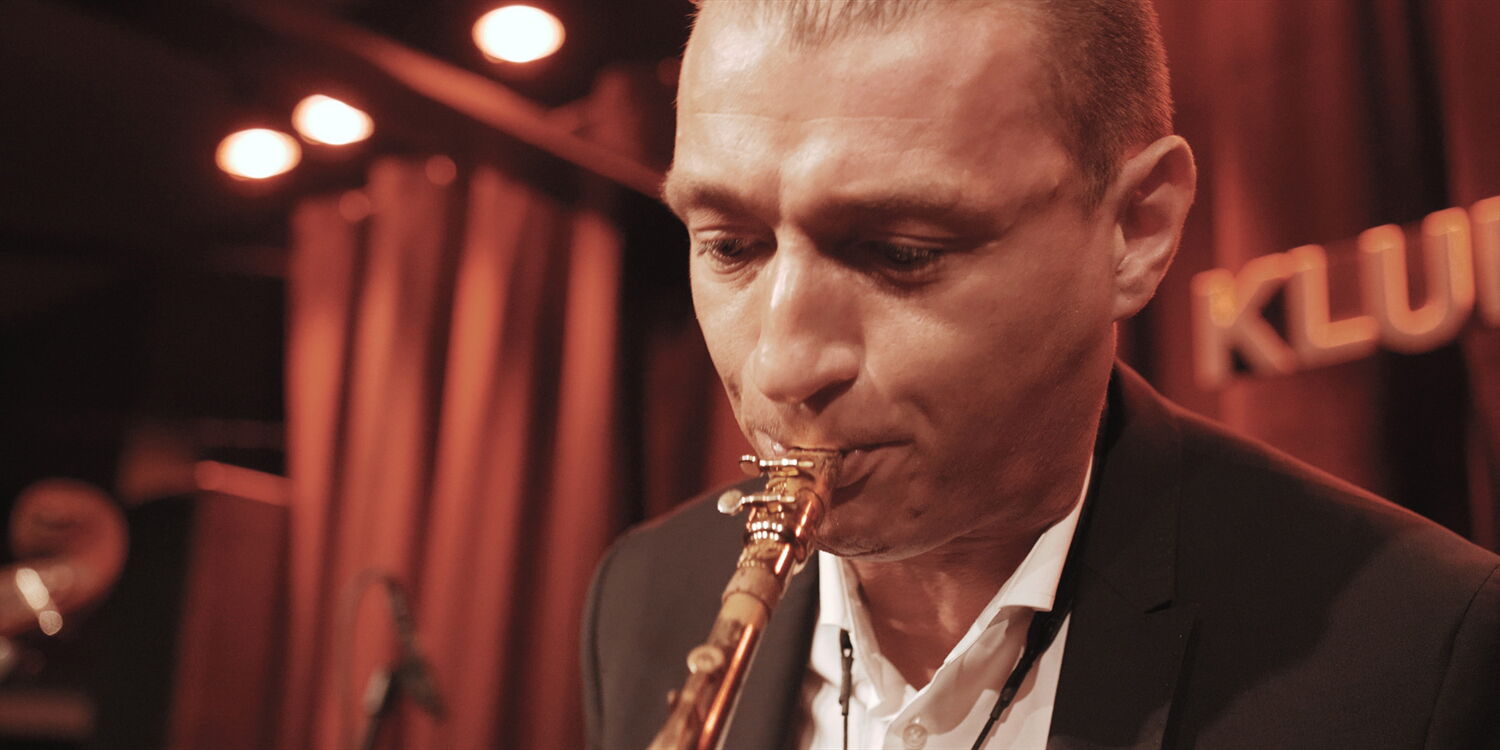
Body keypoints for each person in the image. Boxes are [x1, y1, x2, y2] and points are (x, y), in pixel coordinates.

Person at [581, 1, 1500, 748]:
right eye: (731, 246)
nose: (781, 367)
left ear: (1138, 229)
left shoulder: (1423, 653)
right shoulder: (640, 596)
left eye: (902, 252)